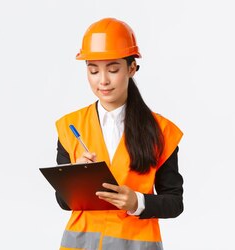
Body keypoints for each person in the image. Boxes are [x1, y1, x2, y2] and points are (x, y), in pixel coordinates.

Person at [53, 17, 184, 250]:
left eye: (113, 69)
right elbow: (64, 202)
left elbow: (174, 202)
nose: (103, 81)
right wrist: (76, 177)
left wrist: (138, 202)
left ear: (131, 68)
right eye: (93, 71)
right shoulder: (70, 127)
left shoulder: (161, 131)